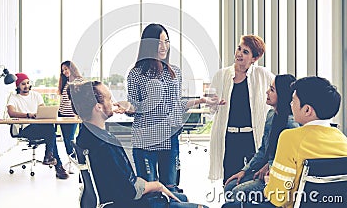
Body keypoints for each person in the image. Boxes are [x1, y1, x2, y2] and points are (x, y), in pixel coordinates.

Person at [70, 80, 208, 208]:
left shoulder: (85, 135)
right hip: (128, 203)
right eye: (109, 99)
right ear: (98, 107)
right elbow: (130, 191)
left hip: (113, 198)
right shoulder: (105, 145)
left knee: (181, 197)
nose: (112, 102)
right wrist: (157, 186)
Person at [127, 23, 215, 192]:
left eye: (166, 41)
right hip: (145, 138)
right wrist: (130, 107)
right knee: (149, 189)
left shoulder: (175, 72)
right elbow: (134, 106)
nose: (164, 46)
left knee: (171, 187)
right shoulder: (136, 73)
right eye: (158, 42)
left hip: (170, 137)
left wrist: (200, 100)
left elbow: (176, 104)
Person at [261, 76, 347, 208]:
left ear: (307, 110)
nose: (290, 104)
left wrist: (268, 183)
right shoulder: (342, 139)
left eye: (293, 100)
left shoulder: (290, 138)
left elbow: (277, 197)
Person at [208, 35, 274, 184]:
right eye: (239, 49)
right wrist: (213, 102)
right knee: (230, 180)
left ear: (254, 58)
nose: (239, 54)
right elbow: (211, 110)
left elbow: (279, 92)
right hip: (230, 137)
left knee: (254, 179)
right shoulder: (221, 75)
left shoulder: (262, 75)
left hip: (252, 137)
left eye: (245, 52)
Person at [223, 74, 300, 203]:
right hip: (266, 171)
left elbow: (291, 160)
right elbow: (263, 150)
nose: (267, 92)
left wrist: (269, 166)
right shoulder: (271, 115)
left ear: (282, 94)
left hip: (277, 177)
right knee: (229, 186)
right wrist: (244, 170)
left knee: (237, 191)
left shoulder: (291, 124)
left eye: (272, 90)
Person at [7, 72, 69, 179]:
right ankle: (55, 163)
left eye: (27, 83)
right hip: (25, 129)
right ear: (17, 86)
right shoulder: (13, 97)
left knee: (49, 130)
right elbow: (11, 113)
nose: (26, 86)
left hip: (40, 127)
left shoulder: (36, 95)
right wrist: (28, 115)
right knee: (51, 132)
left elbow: (43, 110)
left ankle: (50, 156)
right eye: (23, 84)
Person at [57, 60, 84, 173]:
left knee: (71, 139)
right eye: (63, 70)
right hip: (62, 114)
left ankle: (75, 161)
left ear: (72, 68)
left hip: (73, 115)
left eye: (66, 69)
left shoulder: (79, 81)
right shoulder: (65, 82)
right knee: (66, 140)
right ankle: (71, 161)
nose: (64, 72)